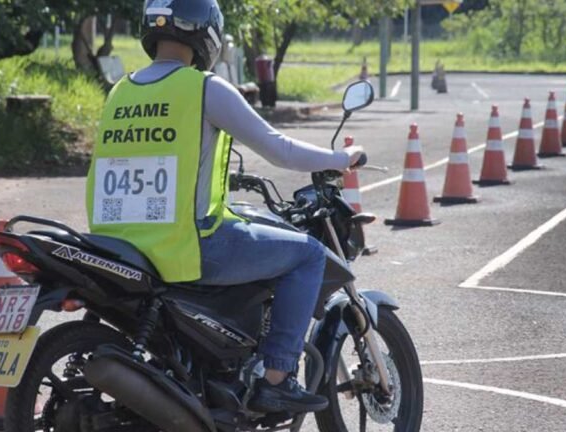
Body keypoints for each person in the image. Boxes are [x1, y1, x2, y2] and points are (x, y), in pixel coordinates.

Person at [85, 0, 364, 414]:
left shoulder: (120, 91)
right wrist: (342, 159)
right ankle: (277, 378)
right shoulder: (204, 87)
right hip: (186, 246)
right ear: (206, 32)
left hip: (119, 247)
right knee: (306, 254)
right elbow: (279, 150)